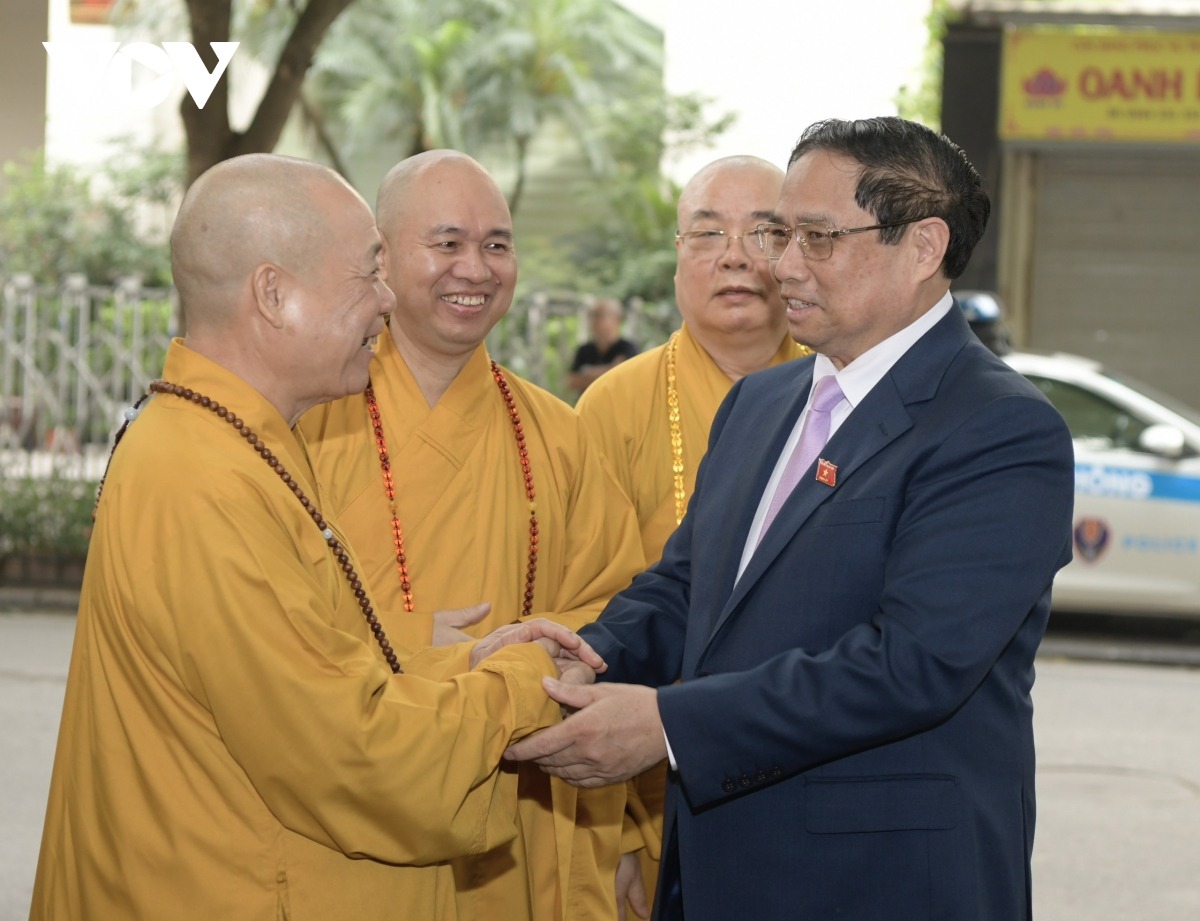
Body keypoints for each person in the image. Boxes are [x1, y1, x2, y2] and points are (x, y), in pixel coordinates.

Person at [506, 117, 1077, 921]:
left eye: (815, 237)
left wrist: (669, 725)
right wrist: (588, 654)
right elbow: (686, 585)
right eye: (783, 235)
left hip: (883, 880)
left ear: (921, 247)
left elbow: (906, 666)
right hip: (715, 868)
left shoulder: (999, 428)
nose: (779, 265)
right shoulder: (762, 400)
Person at [29, 153, 606, 921]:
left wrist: (461, 661)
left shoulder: (231, 443)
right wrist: (521, 680)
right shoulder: (204, 478)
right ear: (273, 294)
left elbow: (311, 667)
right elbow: (350, 753)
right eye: (368, 272)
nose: (383, 300)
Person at [300, 150, 645, 921]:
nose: (476, 267)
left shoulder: (559, 434)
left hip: (517, 797)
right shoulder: (307, 416)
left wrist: (533, 668)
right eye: (447, 242)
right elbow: (258, 624)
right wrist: (418, 643)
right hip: (345, 797)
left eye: (497, 244)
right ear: (381, 258)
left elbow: (614, 607)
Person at [572, 154, 809, 916]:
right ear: (677, 260)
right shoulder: (613, 405)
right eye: (709, 234)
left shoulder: (840, 391)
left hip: (810, 757)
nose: (736, 255)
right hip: (643, 782)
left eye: (765, 232)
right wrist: (611, 838)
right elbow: (592, 608)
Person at [567, 298, 639, 395]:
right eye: (591, 315)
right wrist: (610, 368)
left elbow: (624, 379)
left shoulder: (628, 349)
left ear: (616, 319)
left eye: (599, 315)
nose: (593, 320)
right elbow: (572, 381)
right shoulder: (584, 350)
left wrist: (588, 373)